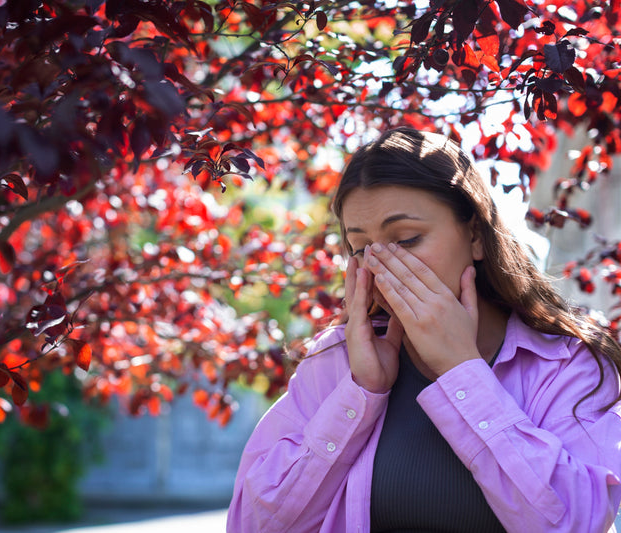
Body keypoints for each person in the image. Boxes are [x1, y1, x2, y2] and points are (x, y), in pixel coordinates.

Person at [226, 127, 621, 532]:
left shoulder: (567, 364)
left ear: (475, 235)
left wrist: (461, 372)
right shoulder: (337, 358)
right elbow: (253, 524)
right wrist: (361, 391)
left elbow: (577, 522)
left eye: (408, 239)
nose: (380, 264)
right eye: (361, 249)